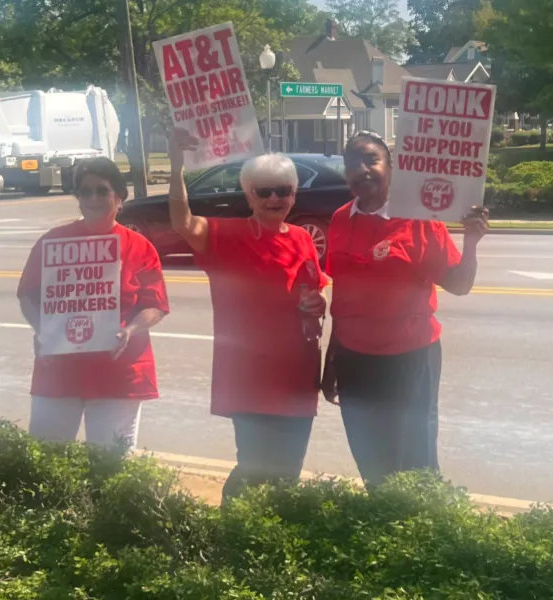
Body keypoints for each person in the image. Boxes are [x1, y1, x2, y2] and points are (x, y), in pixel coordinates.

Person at [169, 129, 328, 501]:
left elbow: (314, 290)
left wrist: (319, 304)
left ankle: (275, 542)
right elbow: (183, 223)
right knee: (255, 465)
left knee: (288, 469)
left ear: (293, 194)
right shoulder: (226, 234)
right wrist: (177, 168)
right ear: (249, 195)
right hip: (249, 373)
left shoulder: (304, 238)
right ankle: (236, 537)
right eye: (264, 191)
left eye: (283, 190)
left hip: (297, 372)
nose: (275, 198)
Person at [323, 131, 489, 486]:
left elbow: (459, 285)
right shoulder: (340, 219)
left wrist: (471, 242)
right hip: (353, 359)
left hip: (410, 359)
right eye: (353, 163)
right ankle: (385, 529)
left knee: (415, 459)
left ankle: (422, 534)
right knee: (369, 452)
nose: (362, 169)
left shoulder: (419, 220)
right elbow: (343, 297)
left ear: (392, 166)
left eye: (371, 159)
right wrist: (332, 359)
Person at [17, 157, 169, 451]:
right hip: (58, 369)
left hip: (118, 372)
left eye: (102, 190)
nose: (93, 198)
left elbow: (156, 305)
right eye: (85, 191)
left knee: (109, 467)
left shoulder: (139, 247)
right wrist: (41, 330)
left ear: (120, 197)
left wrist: (130, 330)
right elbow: (27, 295)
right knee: (46, 463)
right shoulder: (53, 242)